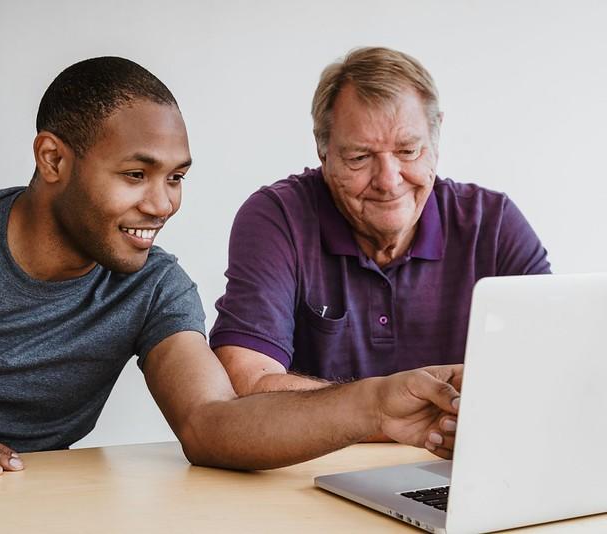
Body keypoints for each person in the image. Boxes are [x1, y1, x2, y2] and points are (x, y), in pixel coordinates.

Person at [0, 56, 462, 482]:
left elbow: (212, 423)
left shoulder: (152, 286)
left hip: (22, 506)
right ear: (53, 159)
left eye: (176, 177)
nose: (163, 205)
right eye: (135, 175)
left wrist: (374, 404)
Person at [210, 47, 549, 409]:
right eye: (360, 157)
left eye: (408, 151)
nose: (388, 182)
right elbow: (246, 382)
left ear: (435, 141)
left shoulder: (493, 224)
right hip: (319, 464)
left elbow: (554, 362)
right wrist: (389, 409)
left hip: (459, 460)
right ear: (323, 153)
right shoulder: (278, 218)